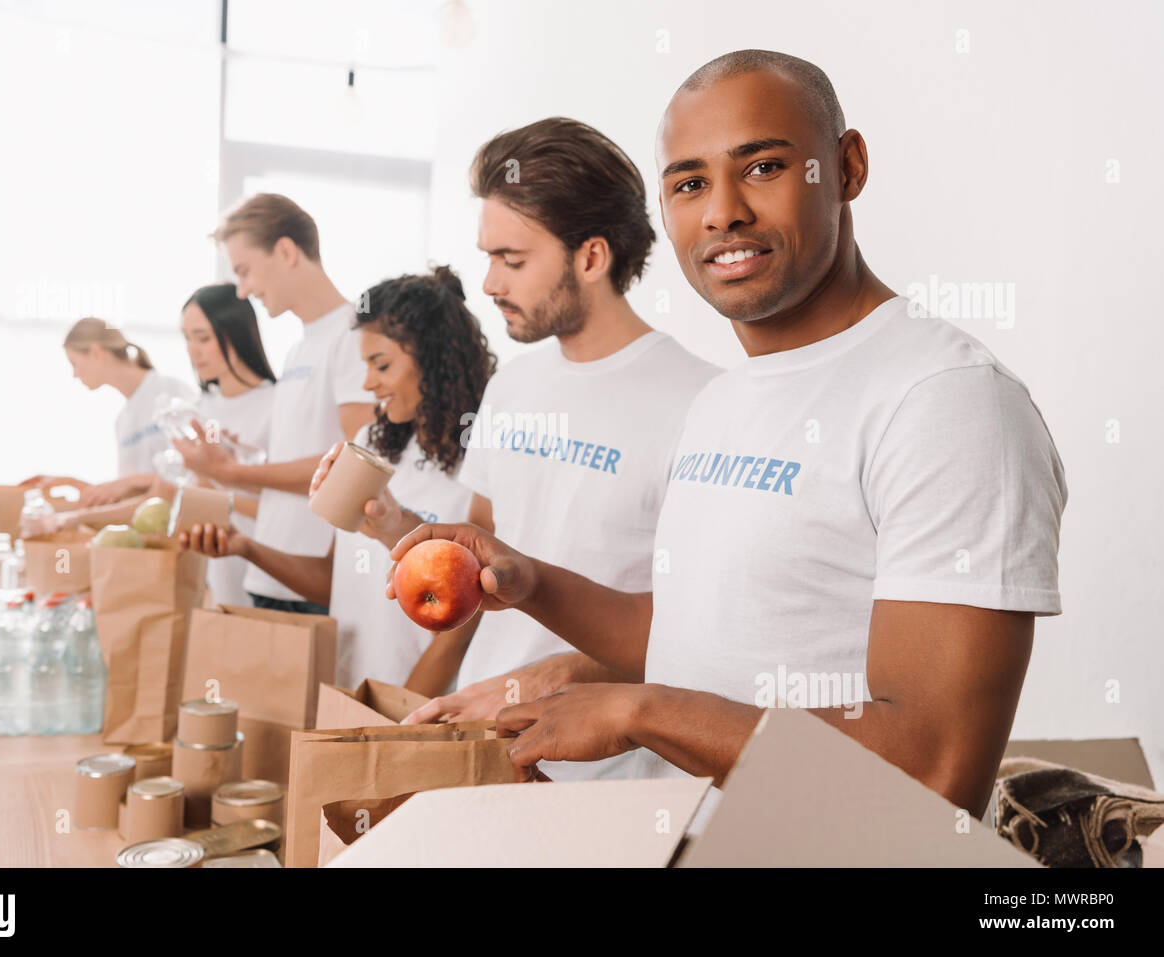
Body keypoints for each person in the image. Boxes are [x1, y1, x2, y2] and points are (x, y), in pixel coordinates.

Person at [389, 50, 1067, 820]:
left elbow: (930, 772)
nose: (722, 213)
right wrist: (533, 581)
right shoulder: (725, 398)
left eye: (764, 167)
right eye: (688, 184)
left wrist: (635, 711)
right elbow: (684, 635)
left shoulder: (947, 404)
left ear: (847, 168)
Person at [398, 118, 723, 783]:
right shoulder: (513, 384)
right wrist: (424, 695)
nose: (488, 283)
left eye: (512, 261)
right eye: (488, 256)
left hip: (609, 779)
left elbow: (700, 634)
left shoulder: (704, 404)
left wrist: (551, 675)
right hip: (487, 748)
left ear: (593, 257)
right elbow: (476, 555)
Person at [180, 266, 496, 695]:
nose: (368, 383)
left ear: (435, 358)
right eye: (364, 365)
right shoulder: (370, 444)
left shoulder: (482, 461)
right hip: (352, 689)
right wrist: (245, 546)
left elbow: (461, 630)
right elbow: (335, 579)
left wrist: (401, 719)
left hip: (423, 707)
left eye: (380, 365)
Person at [174, 194, 376, 616]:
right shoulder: (298, 350)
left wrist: (228, 472)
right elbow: (301, 455)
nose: (243, 289)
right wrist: (236, 461)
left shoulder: (354, 337)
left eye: (244, 271)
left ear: (285, 251)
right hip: (269, 571)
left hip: (309, 583)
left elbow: (355, 469)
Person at [48, 286, 275, 607]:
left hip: (264, 574)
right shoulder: (202, 409)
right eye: (187, 339)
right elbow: (164, 490)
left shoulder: (194, 402)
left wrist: (216, 482)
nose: (193, 352)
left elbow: (270, 501)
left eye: (203, 338)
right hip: (213, 568)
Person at [22, 318, 197, 506]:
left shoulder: (171, 391)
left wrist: (127, 483)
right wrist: (71, 484)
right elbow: (127, 495)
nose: (74, 375)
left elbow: (196, 472)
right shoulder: (122, 421)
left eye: (74, 363)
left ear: (97, 352)